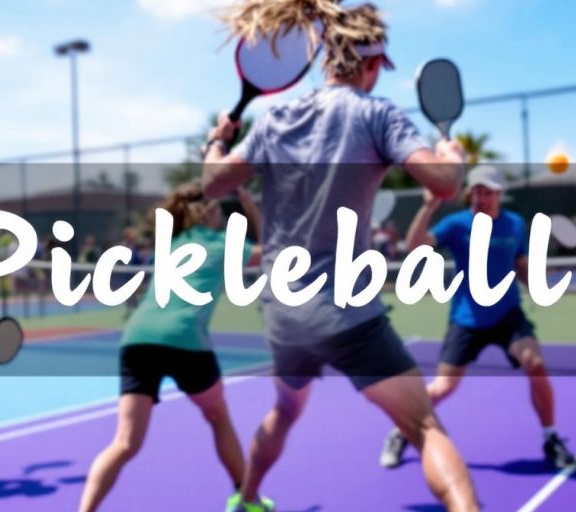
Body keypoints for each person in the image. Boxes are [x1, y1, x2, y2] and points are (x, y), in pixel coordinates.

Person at [204, 2, 478, 510]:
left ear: (326, 59)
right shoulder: (377, 115)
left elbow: (211, 181)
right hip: (347, 314)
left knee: (284, 412)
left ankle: (244, 501)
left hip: (284, 318)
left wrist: (219, 143)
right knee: (423, 425)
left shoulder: (273, 118)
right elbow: (443, 186)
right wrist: (454, 160)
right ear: (371, 64)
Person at [380, 165, 576, 471]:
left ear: (499, 194)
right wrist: (430, 205)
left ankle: (551, 438)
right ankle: (400, 430)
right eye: (475, 191)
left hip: (507, 314)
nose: (480, 198)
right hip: (467, 318)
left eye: (487, 192)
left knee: (535, 364)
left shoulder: (514, 224)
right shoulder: (457, 224)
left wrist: (537, 284)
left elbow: (521, 264)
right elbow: (415, 245)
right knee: (443, 387)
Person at [79, 183, 262, 511]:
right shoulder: (224, 243)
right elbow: (273, 251)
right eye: (219, 209)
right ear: (207, 214)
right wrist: (250, 207)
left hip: (137, 337)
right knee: (217, 415)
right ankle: (247, 500)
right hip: (185, 339)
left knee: (124, 443)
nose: (222, 215)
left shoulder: (171, 244)